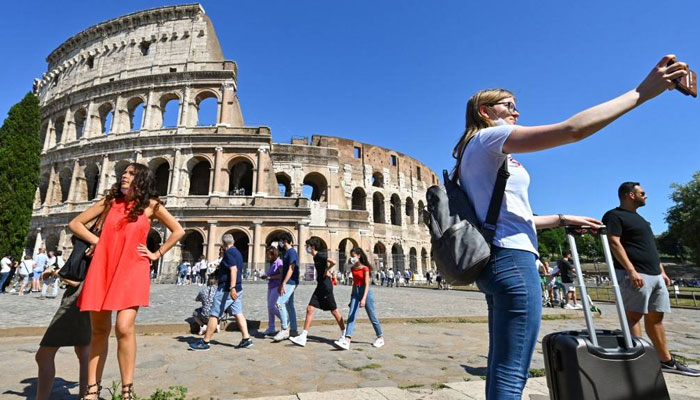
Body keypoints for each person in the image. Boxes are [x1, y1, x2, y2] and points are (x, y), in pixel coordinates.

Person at [451, 55, 688, 398]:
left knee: (503, 364)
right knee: (512, 370)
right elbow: (572, 130)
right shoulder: (491, 139)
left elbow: (509, 217)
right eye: (509, 105)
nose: (516, 112)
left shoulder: (470, 154)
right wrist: (640, 93)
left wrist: (562, 218)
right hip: (513, 262)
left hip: (496, 260)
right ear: (485, 112)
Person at [70, 163, 184, 399]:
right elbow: (75, 224)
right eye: (124, 173)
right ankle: (92, 390)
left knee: (124, 327)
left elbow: (177, 231)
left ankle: (126, 390)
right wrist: (97, 241)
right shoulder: (110, 202)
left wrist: (156, 253)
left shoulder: (152, 206)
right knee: (99, 330)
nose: (124, 176)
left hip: (133, 267)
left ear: (141, 179)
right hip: (104, 266)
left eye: (131, 174)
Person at [603, 182, 700, 377]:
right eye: (642, 193)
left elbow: (650, 249)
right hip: (635, 274)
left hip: (654, 274)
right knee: (633, 316)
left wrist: (662, 270)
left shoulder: (641, 220)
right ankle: (637, 359)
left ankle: (666, 361)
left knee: (656, 317)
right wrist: (631, 270)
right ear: (630, 195)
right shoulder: (614, 216)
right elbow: (614, 242)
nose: (646, 196)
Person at [189, 233, 253, 351]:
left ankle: (205, 342)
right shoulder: (237, 252)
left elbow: (233, 269)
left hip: (227, 290)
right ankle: (246, 338)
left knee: (214, 314)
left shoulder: (228, 253)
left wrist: (231, 287)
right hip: (238, 289)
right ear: (232, 241)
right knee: (238, 313)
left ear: (223, 243)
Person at [34, 281, 91, 399]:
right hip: (86, 294)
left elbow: (74, 280)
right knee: (83, 351)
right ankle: (85, 396)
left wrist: (56, 272)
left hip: (75, 298)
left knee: (43, 355)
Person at [290, 238, 345, 347]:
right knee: (310, 308)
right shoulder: (315, 257)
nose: (306, 248)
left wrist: (327, 270)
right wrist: (326, 270)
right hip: (320, 285)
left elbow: (333, 262)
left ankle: (344, 334)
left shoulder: (319, 255)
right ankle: (303, 336)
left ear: (312, 247)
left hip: (325, 286)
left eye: (307, 246)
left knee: (334, 310)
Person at [334, 248, 384, 350]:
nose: (352, 258)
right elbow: (354, 283)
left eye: (353, 256)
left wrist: (364, 298)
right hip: (356, 292)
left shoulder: (365, 268)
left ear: (359, 256)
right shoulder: (353, 268)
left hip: (365, 292)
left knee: (372, 316)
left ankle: (380, 337)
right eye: (351, 256)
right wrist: (351, 297)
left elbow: (367, 284)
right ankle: (347, 340)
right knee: (351, 315)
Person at [272, 232, 299, 342]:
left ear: (284, 240)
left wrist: (284, 283)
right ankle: (294, 329)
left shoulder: (292, 252)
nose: (279, 243)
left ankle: (284, 329)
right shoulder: (287, 253)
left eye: (280, 241)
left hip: (290, 282)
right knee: (290, 305)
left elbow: (291, 269)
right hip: (288, 282)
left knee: (280, 303)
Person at [261, 246, 283, 336]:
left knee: (271, 306)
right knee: (269, 308)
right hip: (270, 286)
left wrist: (270, 277)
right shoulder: (272, 263)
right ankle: (271, 327)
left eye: (268, 255)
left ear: (273, 254)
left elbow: (281, 275)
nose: (267, 256)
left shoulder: (279, 262)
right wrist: (265, 276)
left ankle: (284, 320)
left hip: (276, 286)